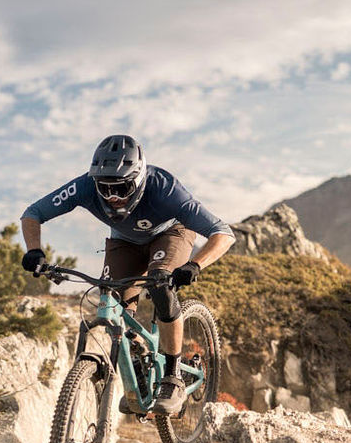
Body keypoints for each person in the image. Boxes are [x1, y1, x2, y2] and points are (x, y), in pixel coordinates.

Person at [18, 134, 234, 415]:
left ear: (140, 178)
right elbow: (33, 213)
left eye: (122, 188)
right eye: (105, 189)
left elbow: (223, 234)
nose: (113, 198)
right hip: (125, 241)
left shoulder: (165, 189)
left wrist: (195, 265)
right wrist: (34, 250)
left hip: (171, 232)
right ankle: (140, 365)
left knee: (160, 286)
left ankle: (173, 376)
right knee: (113, 302)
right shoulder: (84, 186)